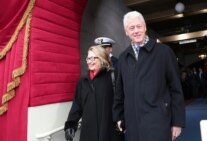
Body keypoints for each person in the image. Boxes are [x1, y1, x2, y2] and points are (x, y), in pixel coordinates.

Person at [112, 11, 185, 141]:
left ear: (145, 27)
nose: (136, 31)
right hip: (132, 124)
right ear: (126, 32)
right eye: (131, 28)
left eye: (139, 26)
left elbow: (176, 89)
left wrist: (177, 122)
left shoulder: (164, 52)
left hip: (159, 122)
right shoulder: (123, 58)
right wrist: (118, 117)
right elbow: (119, 92)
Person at [64, 45, 122, 141]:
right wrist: (71, 124)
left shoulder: (113, 77)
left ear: (102, 58)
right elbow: (77, 106)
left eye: (93, 58)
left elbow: (121, 101)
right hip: (88, 132)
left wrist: (122, 120)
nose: (89, 61)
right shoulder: (83, 82)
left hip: (109, 131)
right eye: (88, 58)